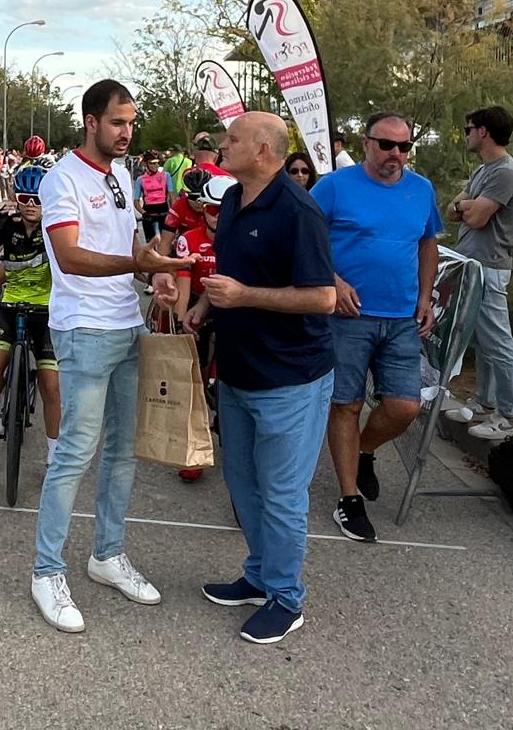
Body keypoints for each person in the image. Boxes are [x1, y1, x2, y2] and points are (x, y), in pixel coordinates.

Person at [30, 79, 182, 635]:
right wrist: (140, 266)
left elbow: (133, 245)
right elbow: (68, 257)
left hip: (127, 322)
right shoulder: (61, 179)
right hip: (84, 329)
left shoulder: (122, 174)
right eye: (118, 122)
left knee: (123, 452)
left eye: (131, 123)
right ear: (91, 121)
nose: (127, 132)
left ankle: (106, 555)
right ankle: (47, 572)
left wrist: (156, 277)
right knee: (75, 451)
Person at [197, 111, 337, 645]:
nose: (222, 145)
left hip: (291, 378)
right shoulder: (232, 200)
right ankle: (259, 576)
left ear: (262, 151)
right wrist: (204, 310)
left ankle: (286, 597)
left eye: (232, 139)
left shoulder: (299, 211)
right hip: (237, 371)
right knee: (244, 483)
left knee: (281, 493)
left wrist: (245, 297)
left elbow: (323, 297)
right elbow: (233, 276)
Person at [309, 112, 442, 545]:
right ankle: (348, 499)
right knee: (345, 405)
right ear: (367, 144)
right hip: (347, 318)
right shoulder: (334, 186)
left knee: (405, 406)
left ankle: (364, 450)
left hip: (402, 317)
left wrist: (426, 297)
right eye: (387, 145)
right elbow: (306, 239)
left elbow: (428, 242)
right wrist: (333, 281)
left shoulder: (421, 190)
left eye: (405, 147)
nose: (396, 155)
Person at [445, 105, 513, 441]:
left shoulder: (506, 172)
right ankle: (484, 404)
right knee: (482, 341)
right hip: (471, 264)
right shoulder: (484, 171)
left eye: (468, 129)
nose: (466, 135)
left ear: (483, 132)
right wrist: (469, 205)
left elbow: (476, 218)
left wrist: (470, 206)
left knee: (499, 342)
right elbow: (452, 210)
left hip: (489, 267)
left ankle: (510, 416)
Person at [0, 161, 60, 461]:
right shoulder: (7, 224)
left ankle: (54, 451)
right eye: (25, 199)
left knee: (52, 385)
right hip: (12, 305)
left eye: (39, 200)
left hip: (48, 310)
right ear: (15, 198)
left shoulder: (57, 225)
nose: (32, 206)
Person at [168, 171, 236, 483]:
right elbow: (183, 283)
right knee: (190, 380)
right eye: (211, 209)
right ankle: (192, 451)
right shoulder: (188, 240)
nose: (217, 216)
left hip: (232, 309)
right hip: (196, 302)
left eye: (224, 210)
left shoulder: (240, 240)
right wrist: (182, 321)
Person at [133, 150, 173, 242]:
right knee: (150, 243)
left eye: (157, 163)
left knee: (165, 242)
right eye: (152, 163)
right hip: (149, 212)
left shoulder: (166, 176)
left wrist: (172, 211)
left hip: (163, 211)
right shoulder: (140, 179)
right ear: (146, 164)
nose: (155, 166)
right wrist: (143, 213)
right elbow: (136, 202)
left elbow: (171, 196)